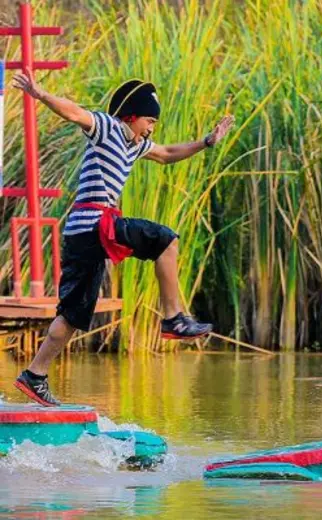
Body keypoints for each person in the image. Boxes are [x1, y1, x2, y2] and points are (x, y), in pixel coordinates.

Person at [10, 70, 234, 406]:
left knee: (73, 314)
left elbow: (168, 153)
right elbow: (74, 112)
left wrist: (206, 142)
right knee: (165, 240)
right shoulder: (109, 128)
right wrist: (40, 94)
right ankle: (173, 318)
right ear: (130, 116)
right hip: (95, 222)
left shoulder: (137, 144)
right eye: (148, 120)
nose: (151, 128)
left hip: (81, 234)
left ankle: (34, 375)